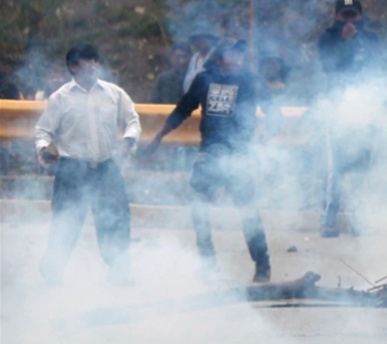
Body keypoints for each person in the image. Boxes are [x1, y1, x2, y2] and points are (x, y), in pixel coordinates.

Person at [145, 40, 275, 283]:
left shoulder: (250, 80)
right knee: (199, 207)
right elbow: (181, 110)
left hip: (240, 154)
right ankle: (208, 263)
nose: (238, 60)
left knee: (247, 211)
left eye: (240, 55)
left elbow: (272, 109)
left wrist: (268, 131)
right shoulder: (204, 79)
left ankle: (263, 266)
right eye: (232, 56)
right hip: (210, 152)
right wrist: (158, 137)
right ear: (218, 60)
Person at [34, 44, 141, 286]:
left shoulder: (114, 93)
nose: (93, 64)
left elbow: (132, 120)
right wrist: (44, 149)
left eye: (95, 60)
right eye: (86, 60)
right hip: (72, 170)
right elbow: (43, 131)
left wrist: (128, 140)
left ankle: (119, 272)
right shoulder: (60, 98)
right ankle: (52, 271)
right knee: (66, 223)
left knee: (115, 220)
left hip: (106, 167)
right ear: (73, 66)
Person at [316, 0, 380, 237]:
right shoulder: (328, 39)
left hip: (365, 106)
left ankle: (357, 217)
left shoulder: (371, 39)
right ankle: (330, 217)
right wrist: (344, 43)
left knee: (363, 166)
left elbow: (378, 69)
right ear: (336, 16)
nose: (349, 19)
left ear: (360, 16)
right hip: (338, 107)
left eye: (353, 15)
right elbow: (328, 68)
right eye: (345, 15)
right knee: (337, 165)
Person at [182, 25, 220, 93]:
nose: (200, 42)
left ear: (210, 39)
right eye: (197, 39)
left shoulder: (216, 56)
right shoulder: (194, 58)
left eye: (203, 39)